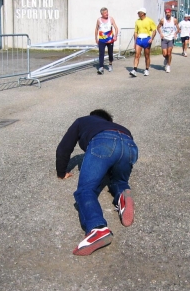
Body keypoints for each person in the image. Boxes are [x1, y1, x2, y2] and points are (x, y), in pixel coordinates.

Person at [56, 109, 138, 256]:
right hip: (129, 145)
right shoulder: (119, 126)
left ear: (92, 115)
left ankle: (97, 228)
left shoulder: (82, 121)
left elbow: (64, 147)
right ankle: (122, 195)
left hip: (102, 141)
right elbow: (116, 154)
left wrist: (61, 172)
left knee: (85, 190)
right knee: (119, 180)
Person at [129, 7, 157, 77]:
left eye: (139, 13)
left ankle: (147, 69)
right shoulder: (137, 21)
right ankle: (134, 70)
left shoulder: (149, 21)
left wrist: (152, 38)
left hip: (146, 39)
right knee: (137, 55)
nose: (137, 14)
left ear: (143, 13)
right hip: (139, 39)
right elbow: (135, 32)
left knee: (147, 56)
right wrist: (135, 42)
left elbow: (154, 30)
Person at [95, 7, 119, 75]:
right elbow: (96, 29)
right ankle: (101, 67)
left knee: (110, 53)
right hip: (102, 40)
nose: (106, 14)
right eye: (105, 13)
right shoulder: (98, 20)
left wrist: (115, 36)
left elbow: (116, 28)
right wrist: (96, 38)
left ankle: (110, 64)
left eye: (107, 12)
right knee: (101, 53)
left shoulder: (111, 19)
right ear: (102, 14)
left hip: (110, 40)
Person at [157, 8, 179, 73]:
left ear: (171, 13)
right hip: (164, 38)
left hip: (171, 38)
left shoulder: (174, 20)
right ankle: (166, 59)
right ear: (165, 13)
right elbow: (158, 27)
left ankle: (168, 66)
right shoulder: (162, 20)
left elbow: (178, 28)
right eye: (166, 12)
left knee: (169, 53)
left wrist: (175, 33)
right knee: (164, 54)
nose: (167, 14)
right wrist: (161, 33)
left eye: (168, 12)